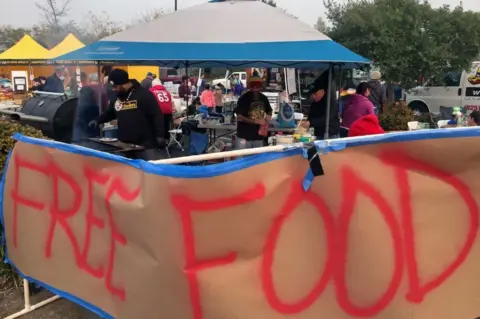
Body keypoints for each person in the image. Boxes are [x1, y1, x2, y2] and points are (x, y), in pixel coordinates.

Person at [89, 69, 166, 160]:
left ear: (123, 83)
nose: (113, 89)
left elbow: (157, 115)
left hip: (146, 145)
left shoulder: (144, 95)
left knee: (150, 170)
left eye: (115, 86)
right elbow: (110, 113)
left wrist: (160, 135)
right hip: (125, 145)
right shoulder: (117, 97)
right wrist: (97, 120)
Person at [235, 77, 272, 149]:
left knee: (257, 159)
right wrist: (256, 121)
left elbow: (269, 112)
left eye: (257, 85)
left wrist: (266, 119)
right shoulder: (243, 98)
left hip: (258, 136)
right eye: (253, 85)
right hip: (245, 136)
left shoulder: (263, 98)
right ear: (250, 86)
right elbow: (239, 117)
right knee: (244, 159)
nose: (255, 87)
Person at [300, 71, 340, 140]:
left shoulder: (330, 102)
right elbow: (311, 116)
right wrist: (307, 121)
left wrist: (310, 122)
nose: (313, 97)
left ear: (322, 92)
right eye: (312, 95)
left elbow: (326, 118)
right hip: (318, 134)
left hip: (331, 135)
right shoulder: (315, 103)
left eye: (315, 94)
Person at [72, 73, 108, 143]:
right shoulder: (102, 89)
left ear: (90, 80)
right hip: (99, 119)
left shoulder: (86, 89)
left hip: (83, 126)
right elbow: (105, 106)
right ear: (98, 80)